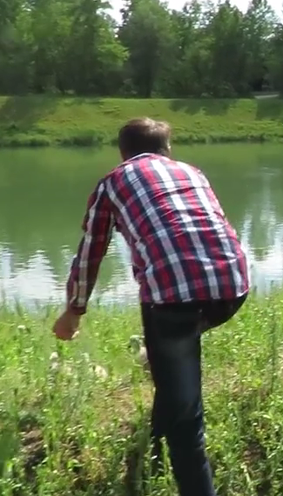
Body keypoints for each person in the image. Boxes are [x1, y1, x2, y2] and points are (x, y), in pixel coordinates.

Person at [52, 117, 251, 496]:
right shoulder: (192, 172)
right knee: (171, 358)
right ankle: (156, 437)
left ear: (122, 153)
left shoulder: (113, 182)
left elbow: (91, 251)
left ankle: (175, 436)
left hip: (174, 299)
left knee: (186, 424)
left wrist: (73, 311)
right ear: (167, 149)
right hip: (234, 286)